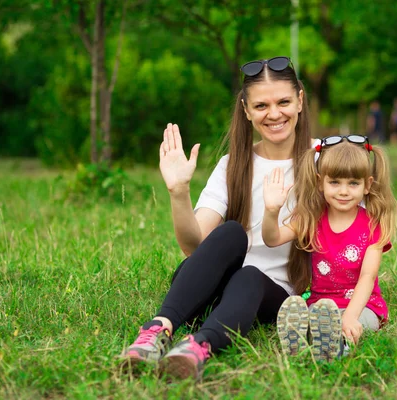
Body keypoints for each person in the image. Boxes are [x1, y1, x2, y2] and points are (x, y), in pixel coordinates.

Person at [120, 56, 311, 380]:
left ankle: (198, 347)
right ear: (246, 110)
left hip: (274, 294)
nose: (274, 114)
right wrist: (179, 191)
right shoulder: (232, 164)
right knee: (230, 233)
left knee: (249, 276)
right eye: (261, 105)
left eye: (283, 102)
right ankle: (158, 330)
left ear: (300, 101)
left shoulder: (325, 162)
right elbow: (195, 246)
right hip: (222, 286)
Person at [261, 135, 397, 362]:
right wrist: (271, 211)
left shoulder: (373, 224)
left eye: (353, 183)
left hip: (362, 306)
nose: (344, 191)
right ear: (319, 182)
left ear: (367, 185)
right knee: (313, 317)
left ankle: (335, 349)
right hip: (319, 305)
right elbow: (272, 238)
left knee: (352, 327)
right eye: (334, 182)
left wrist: (351, 317)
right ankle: (300, 340)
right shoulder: (311, 218)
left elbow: (367, 276)